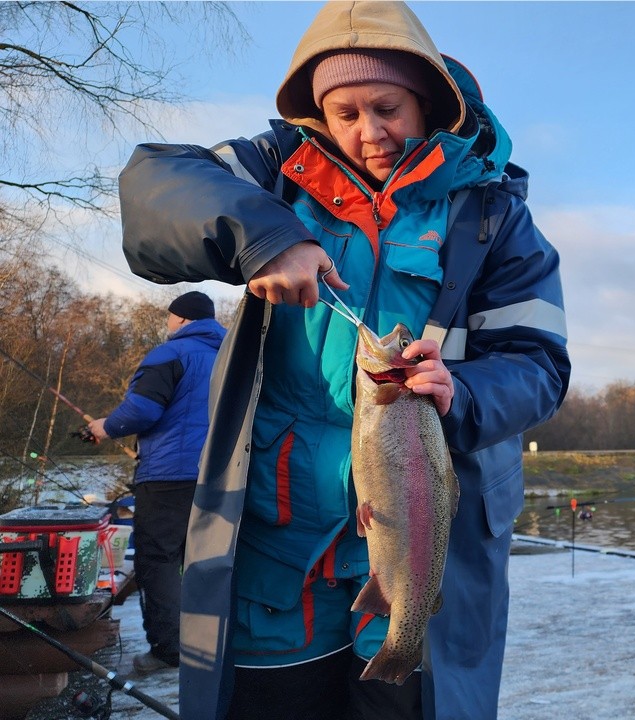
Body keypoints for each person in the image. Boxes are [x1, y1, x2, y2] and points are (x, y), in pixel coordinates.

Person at [116, 2, 570, 718]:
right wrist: (262, 234)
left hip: (419, 538)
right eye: (345, 113)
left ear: (426, 101)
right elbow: (153, 188)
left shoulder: (493, 213)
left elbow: (539, 364)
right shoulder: (271, 171)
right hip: (274, 544)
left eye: (387, 107)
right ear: (318, 113)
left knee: (406, 694)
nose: (369, 132)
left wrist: (467, 390)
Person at [88, 291, 226, 674]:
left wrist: (105, 426)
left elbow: (143, 410)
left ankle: (169, 651)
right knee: (204, 560)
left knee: (159, 559)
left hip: (168, 476)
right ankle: (213, 644)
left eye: (169, 318)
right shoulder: (231, 354)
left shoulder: (170, 354)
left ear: (180, 319)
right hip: (220, 476)